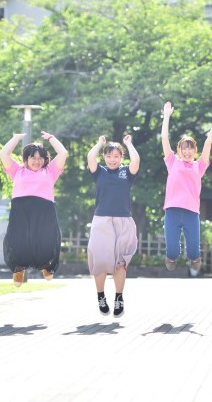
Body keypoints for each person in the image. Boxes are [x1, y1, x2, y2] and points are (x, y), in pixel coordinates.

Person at [161, 102, 212, 274]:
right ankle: (171, 257)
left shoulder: (200, 165)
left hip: (191, 211)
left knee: (193, 250)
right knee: (173, 249)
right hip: (172, 210)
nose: (188, 152)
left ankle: (195, 259)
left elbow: (209, 141)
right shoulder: (172, 161)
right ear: (179, 150)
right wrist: (166, 116)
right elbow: (164, 139)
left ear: (195, 150)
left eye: (191, 149)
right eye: (184, 148)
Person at [0, 131, 68, 287]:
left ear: (44, 160)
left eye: (40, 158)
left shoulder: (50, 171)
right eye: (33, 157)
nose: (36, 161)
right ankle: (18, 271)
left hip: (44, 210)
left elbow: (63, 152)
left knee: (46, 239)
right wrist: (16, 138)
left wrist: (51, 138)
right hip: (21, 210)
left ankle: (47, 266)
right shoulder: (17, 170)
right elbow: (3, 153)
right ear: (26, 159)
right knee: (18, 240)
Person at [87, 135, 140, 318]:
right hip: (101, 220)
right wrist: (99, 143)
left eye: (116, 156)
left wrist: (129, 143)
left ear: (121, 157)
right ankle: (101, 296)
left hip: (124, 220)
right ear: (104, 157)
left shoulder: (127, 172)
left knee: (121, 264)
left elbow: (136, 160)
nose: (112, 159)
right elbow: (90, 158)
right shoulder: (99, 172)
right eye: (109, 156)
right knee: (100, 262)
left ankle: (119, 298)